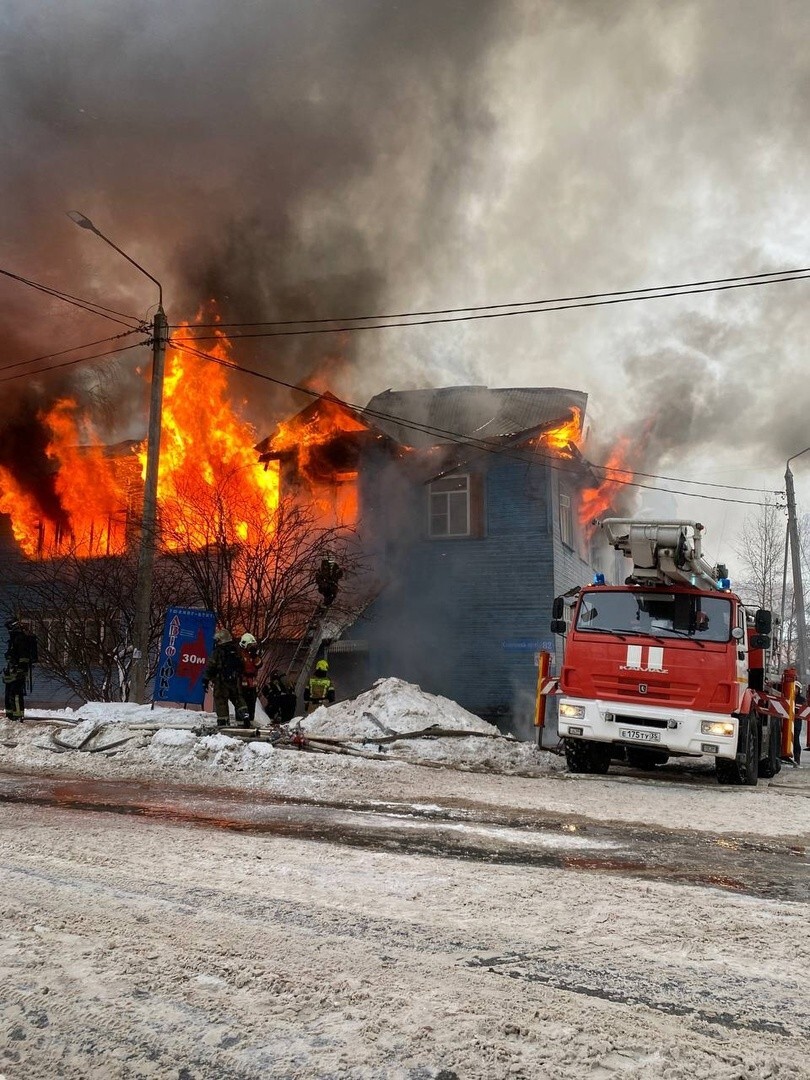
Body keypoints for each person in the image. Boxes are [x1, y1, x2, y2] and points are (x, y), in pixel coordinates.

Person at [203, 628, 249, 728]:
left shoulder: (218, 651)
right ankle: (245, 716)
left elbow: (211, 665)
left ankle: (223, 723)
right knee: (238, 698)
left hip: (221, 681)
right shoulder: (236, 650)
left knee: (221, 701)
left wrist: (206, 679)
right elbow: (242, 665)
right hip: (235, 680)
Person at [3, 618, 36, 722]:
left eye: (9, 627)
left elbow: (24, 656)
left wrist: (21, 669)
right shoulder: (13, 638)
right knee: (8, 693)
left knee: (16, 693)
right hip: (11, 670)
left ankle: (18, 716)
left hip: (18, 671)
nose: (8, 630)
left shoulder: (20, 638)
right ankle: (10, 716)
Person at [238, 633, 262, 724]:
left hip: (252, 682)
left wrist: (254, 656)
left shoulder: (253, 655)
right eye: (250, 645)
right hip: (242, 681)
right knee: (242, 701)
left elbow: (259, 665)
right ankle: (241, 720)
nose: (252, 647)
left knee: (252, 701)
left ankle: (250, 719)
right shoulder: (240, 654)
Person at [793, 683, 805, 767]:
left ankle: (797, 759)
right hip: (789, 723)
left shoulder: (801, 699)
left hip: (797, 723)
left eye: (796, 688)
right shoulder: (790, 697)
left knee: (796, 740)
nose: (795, 690)